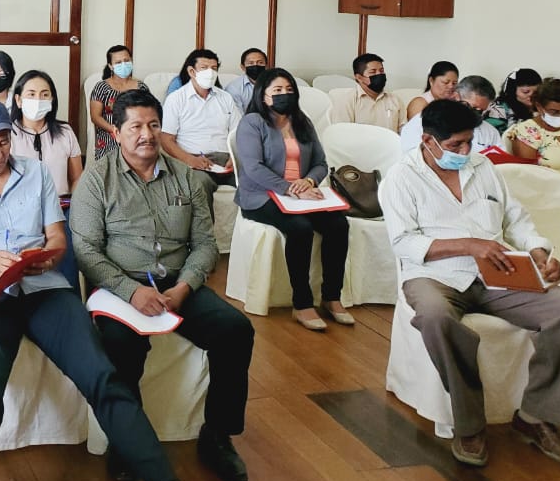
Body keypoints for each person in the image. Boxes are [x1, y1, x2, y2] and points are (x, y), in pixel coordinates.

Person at [0, 100, 189, 481]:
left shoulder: (35, 173)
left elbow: (57, 239)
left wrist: (46, 258)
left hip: (43, 289)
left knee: (101, 376)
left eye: (3, 142)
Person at [380, 100, 560, 469]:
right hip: (435, 275)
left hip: (498, 273)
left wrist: (539, 252)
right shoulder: (400, 177)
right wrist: (468, 245)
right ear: (428, 141)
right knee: (436, 317)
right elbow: (403, 242)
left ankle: (536, 416)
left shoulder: (483, 167)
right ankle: (469, 425)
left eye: (469, 142)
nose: (465, 152)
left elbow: (516, 220)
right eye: (456, 145)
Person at [72, 89, 253, 481]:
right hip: (120, 287)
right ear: (116, 132)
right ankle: (127, 442)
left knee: (236, 330)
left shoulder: (187, 177)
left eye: (154, 125)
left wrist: (186, 286)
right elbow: (85, 250)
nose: (147, 135)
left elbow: (205, 244)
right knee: (120, 344)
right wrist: (131, 291)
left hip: (176, 284)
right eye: (135, 126)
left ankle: (217, 436)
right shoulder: (96, 180)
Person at [234, 69, 352, 330]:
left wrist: (308, 181)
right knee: (300, 228)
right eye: (277, 90)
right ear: (263, 96)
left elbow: (320, 162)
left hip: (301, 194)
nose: (284, 95)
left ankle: (332, 297)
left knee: (338, 224)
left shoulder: (302, 121)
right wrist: (289, 188)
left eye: (288, 90)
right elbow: (253, 168)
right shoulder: (252, 122)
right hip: (261, 195)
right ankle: (302, 303)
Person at [10, 69, 84, 294]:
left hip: (62, 208)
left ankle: (70, 300)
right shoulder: (8, 135)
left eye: (45, 94)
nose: (38, 100)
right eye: (31, 94)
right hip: (22, 210)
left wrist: (75, 210)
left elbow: (77, 177)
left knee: (68, 250)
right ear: (18, 100)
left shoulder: (65, 132)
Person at [160, 49, 240, 202]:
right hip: (195, 160)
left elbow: (239, 134)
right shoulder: (176, 99)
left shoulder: (226, 98)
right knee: (199, 184)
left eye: (214, 68)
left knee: (255, 182)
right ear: (191, 71)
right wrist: (190, 160)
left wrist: (236, 157)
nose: (210, 72)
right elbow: (166, 139)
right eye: (204, 68)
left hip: (227, 161)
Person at [506, 77, 560, 176]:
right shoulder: (526, 132)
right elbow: (529, 174)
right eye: (554, 111)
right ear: (539, 107)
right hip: (549, 183)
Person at [400, 75, 503, 153]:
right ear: (456, 97)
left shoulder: (490, 132)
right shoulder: (424, 121)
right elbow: (412, 157)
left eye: (481, 111)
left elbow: (502, 162)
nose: (476, 114)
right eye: (473, 108)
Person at [89, 44, 148, 160]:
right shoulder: (101, 87)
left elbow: (148, 114)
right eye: (118, 62)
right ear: (110, 66)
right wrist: (115, 130)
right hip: (109, 140)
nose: (123, 65)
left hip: (136, 139)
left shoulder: (141, 87)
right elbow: (95, 117)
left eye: (126, 61)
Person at [327, 52, 403, 133]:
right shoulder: (347, 101)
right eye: (373, 72)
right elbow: (342, 133)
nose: (379, 75)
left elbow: (403, 130)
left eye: (381, 71)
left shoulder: (395, 100)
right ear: (359, 77)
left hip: (391, 141)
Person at [485, 68, 542, 133]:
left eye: (536, 92)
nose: (532, 95)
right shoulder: (498, 110)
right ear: (512, 91)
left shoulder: (541, 105)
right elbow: (488, 135)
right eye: (525, 92)